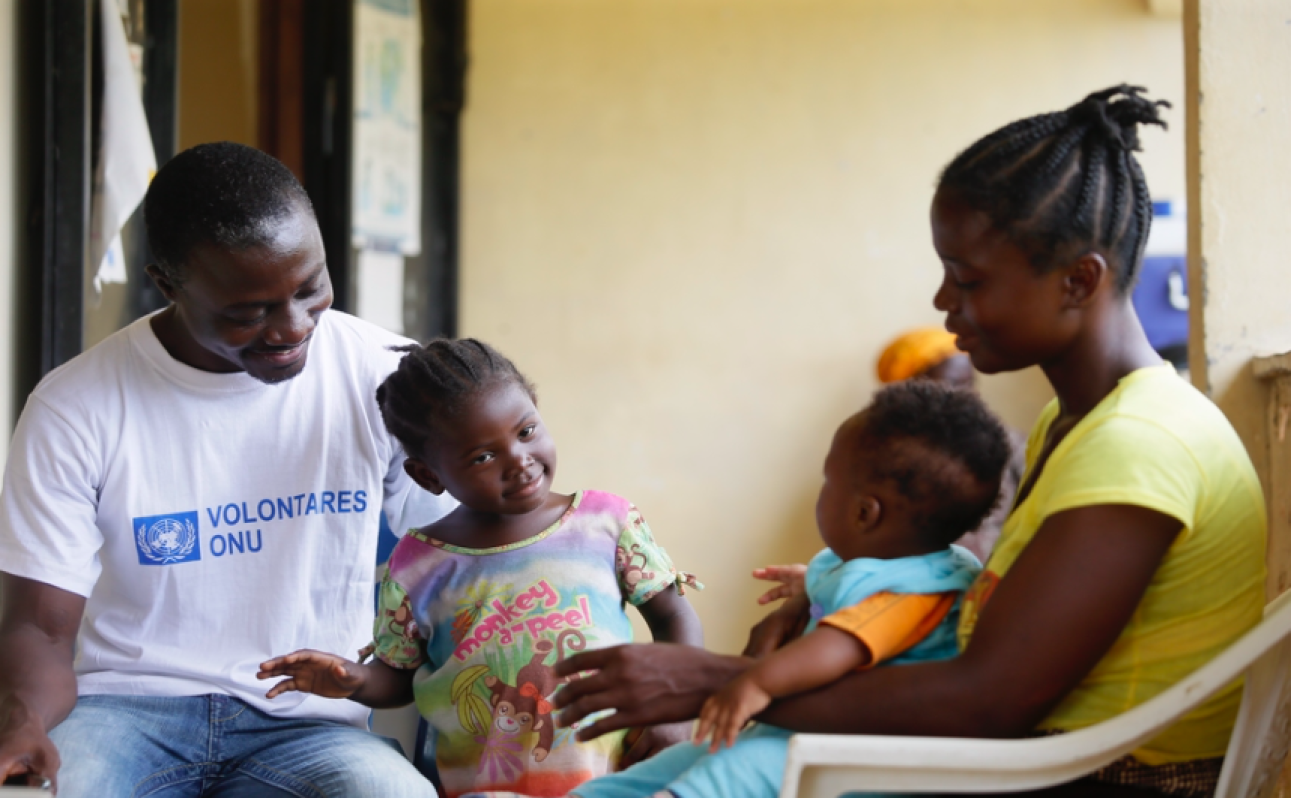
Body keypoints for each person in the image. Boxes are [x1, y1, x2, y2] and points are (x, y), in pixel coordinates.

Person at [545, 86, 1267, 798]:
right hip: (1035, 761)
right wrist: (857, 589)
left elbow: (987, 704)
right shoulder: (1081, 419)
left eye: (968, 278)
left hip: (1100, 779)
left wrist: (718, 683)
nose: (944, 302)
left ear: (1078, 280)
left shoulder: (1138, 443)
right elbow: (999, 634)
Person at [0, 142, 457, 796]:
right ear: (166, 283)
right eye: (250, 312)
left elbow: (475, 564)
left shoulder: (386, 376)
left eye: (310, 289)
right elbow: (39, 627)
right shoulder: (75, 406)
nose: (293, 327)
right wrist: (22, 723)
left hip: (310, 722)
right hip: (126, 710)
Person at [504, 380, 1006, 798]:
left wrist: (752, 682)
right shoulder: (921, 561)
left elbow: (838, 645)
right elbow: (846, 587)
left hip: (838, 746)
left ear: (863, 513)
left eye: (828, 479)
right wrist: (809, 585)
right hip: (799, 727)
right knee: (659, 770)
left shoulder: (902, 592)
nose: (821, 489)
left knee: (713, 782)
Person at [256, 338, 704, 798]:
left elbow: (672, 616)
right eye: (483, 457)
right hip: (483, 787)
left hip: (619, 774)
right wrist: (357, 680)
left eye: (526, 431)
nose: (519, 461)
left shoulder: (605, 521)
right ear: (428, 476)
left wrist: (679, 711)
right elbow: (399, 678)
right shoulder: (418, 563)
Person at [874, 327, 1028, 562]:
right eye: (952, 386)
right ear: (912, 391)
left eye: (970, 383)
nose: (970, 395)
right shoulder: (880, 457)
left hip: (1003, 574)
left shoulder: (1006, 442)